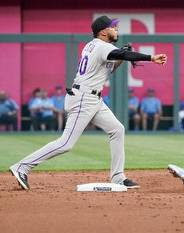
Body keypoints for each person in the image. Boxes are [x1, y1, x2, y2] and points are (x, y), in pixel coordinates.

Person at [9, 15, 167, 190]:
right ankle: (22, 166)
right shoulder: (100, 46)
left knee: (117, 129)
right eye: (113, 27)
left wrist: (121, 58)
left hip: (93, 98)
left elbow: (110, 67)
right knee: (66, 143)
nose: (116, 30)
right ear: (103, 31)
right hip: (83, 99)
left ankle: (118, 177)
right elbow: (120, 53)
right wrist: (150, 57)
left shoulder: (95, 46)